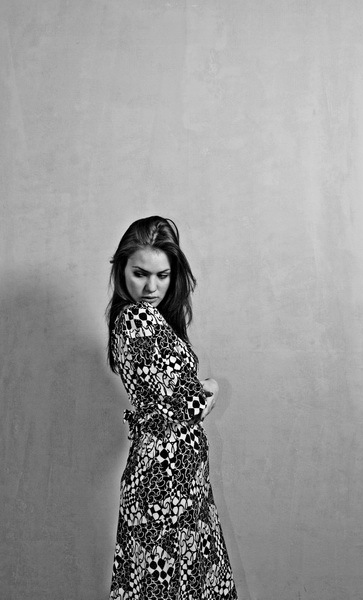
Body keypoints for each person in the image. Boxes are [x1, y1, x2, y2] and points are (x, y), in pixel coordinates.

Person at [107, 216, 237, 599]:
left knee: (182, 585)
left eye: (162, 275)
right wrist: (212, 386)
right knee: (166, 586)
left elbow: (173, 399)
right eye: (140, 274)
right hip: (163, 483)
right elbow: (184, 406)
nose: (151, 287)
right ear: (122, 270)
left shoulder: (155, 320)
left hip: (178, 477)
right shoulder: (137, 318)